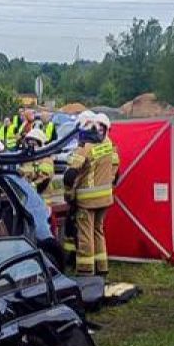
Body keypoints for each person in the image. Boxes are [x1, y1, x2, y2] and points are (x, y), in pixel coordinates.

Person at [66, 112, 120, 276]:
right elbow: (115, 171)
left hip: (87, 200)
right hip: (105, 198)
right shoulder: (110, 145)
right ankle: (102, 267)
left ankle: (85, 269)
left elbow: (70, 174)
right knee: (98, 231)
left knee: (85, 234)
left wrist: (68, 194)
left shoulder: (86, 147)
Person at [18, 128, 55, 201]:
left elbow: (45, 179)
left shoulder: (46, 159)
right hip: (29, 198)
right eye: (29, 144)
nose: (30, 146)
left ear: (41, 144)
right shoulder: (27, 159)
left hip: (43, 199)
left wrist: (31, 185)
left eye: (34, 144)